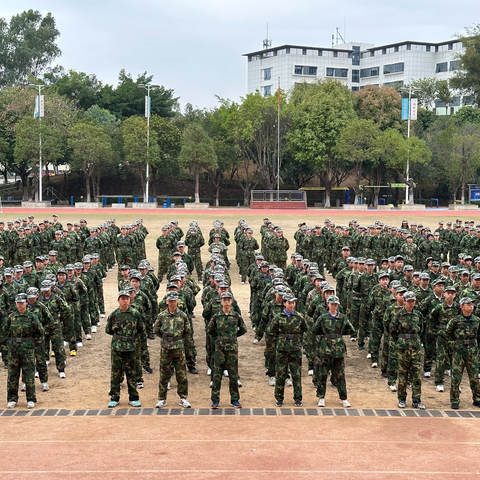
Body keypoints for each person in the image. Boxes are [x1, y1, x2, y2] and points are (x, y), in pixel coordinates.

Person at [312, 295, 356, 408]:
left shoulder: (342, 317)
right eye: (332, 304)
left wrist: (339, 335)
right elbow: (315, 330)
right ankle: (321, 397)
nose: (334, 306)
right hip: (325, 349)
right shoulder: (322, 317)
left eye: (335, 304)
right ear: (328, 304)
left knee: (340, 375)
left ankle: (343, 398)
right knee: (322, 374)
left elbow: (351, 329)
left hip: (338, 350)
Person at [4, 293, 44, 408]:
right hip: (13, 349)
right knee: (12, 375)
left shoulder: (32, 317)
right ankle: (12, 399)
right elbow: (5, 331)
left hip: (27, 348)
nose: (20, 305)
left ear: (26, 303)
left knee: (29, 374)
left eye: (22, 302)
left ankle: (30, 399)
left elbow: (40, 331)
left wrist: (32, 343)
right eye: (18, 303)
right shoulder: (11, 317)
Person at [105, 290, 145, 408]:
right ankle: (114, 397)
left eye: (127, 298)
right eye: (122, 299)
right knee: (116, 373)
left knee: (131, 372)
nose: (125, 301)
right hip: (117, 347)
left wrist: (131, 339)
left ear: (130, 300)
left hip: (131, 347)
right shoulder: (114, 315)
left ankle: (133, 397)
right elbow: (108, 330)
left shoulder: (135, 314)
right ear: (118, 300)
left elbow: (140, 329)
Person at [208, 291, 246, 409]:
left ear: (231, 302)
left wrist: (232, 337)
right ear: (221, 301)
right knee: (217, 374)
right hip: (219, 348)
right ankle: (215, 400)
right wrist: (221, 338)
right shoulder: (216, 316)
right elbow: (210, 330)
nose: (226, 302)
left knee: (233, 374)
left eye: (228, 300)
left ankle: (234, 399)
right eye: (224, 300)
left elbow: (243, 329)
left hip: (232, 348)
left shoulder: (236, 316)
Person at [268, 293, 307, 407]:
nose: (291, 305)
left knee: (296, 374)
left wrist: (299, 342)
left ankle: (298, 398)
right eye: (289, 302)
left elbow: (304, 329)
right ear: (285, 303)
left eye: (293, 302)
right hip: (282, 349)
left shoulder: (299, 317)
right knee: (280, 374)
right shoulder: (278, 317)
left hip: (295, 349)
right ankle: (279, 398)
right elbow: (272, 331)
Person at [154, 291, 192, 408]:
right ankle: (162, 398)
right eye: (170, 300)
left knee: (181, 374)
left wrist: (177, 340)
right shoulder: (162, 316)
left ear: (177, 301)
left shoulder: (183, 316)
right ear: (166, 302)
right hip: (166, 348)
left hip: (178, 348)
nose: (172, 302)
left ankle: (183, 398)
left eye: (174, 300)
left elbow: (187, 331)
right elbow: (157, 330)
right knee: (164, 374)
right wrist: (167, 339)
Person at [390, 291, 426, 409]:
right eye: (409, 301)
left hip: (415, 347)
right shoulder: (399, 315)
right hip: (403, 347)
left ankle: (417, 399)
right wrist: (401, 340)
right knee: (403, 374)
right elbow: (393, 330)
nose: (411, 303)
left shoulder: (418, 315)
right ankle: (402, 399)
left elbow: (421, 329)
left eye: (413, 301)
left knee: (416, 374)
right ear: (404, 301)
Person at [446, 297, 480, 410]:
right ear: (462, 307)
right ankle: (455, 400)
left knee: (474, 376)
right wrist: (454, 346)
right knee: (456, 376)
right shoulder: (455, 320)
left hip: (472, 350)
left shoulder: (477, 320)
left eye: (472, 304)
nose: (471, 306)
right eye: (468, 304)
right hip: (459, 350)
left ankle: (477, 399)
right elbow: (448, 333)